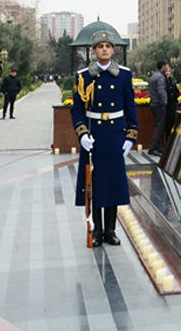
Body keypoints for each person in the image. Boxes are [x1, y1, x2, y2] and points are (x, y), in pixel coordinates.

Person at [71, 29, 138, 247]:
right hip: (95, 135)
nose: (105, 49)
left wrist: (130, 136)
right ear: (94, 51)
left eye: (108, 46)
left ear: (113, 49)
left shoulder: (125, 75)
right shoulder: (83, 76)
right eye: (100, 46)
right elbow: (77, 110)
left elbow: (130, 107)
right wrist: (82, 134)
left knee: (114, 183)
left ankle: (111, 230)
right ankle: (97, 230)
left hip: (115, 134)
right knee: (95, 184)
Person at [146, 61, 172, 157]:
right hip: (159, 105)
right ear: (163, 66)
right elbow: (161, 91)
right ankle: (153, 148)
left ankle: (160, 148)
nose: (168, 67)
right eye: (167, 65)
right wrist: (165, 103)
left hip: (154, 104)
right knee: (159, 127)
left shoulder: (155, 75)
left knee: (159, 126)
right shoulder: (160, 77)